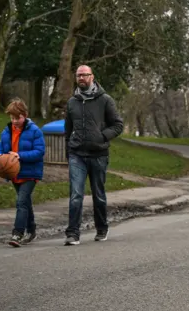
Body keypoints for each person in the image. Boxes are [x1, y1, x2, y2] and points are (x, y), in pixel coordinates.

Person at [64, 65, 124, 245]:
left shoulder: (105, 100)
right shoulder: (72, 102)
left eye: (85, 75)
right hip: (77, 154)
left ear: (92, 77)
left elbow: (118, 125)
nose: (81, 78)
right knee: (76, 195)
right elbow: (68, 129)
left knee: (98, 195)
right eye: (79, 75)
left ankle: (101, 229)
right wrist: (69, 148)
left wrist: (102, 136)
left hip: (98, 154)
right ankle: (73, 233)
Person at [0, 99, 46, 247]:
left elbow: (40, 151)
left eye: (18, 118)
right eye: (12, 118)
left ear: (25, 115)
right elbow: (0, 149)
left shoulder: (35, 131)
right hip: (14, 173)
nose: (15, 121)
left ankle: (17, 233)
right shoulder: (7, 131)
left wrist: (19, 155)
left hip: (30, 173)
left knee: (21, 201)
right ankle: (32, 230)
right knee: (26, 203)